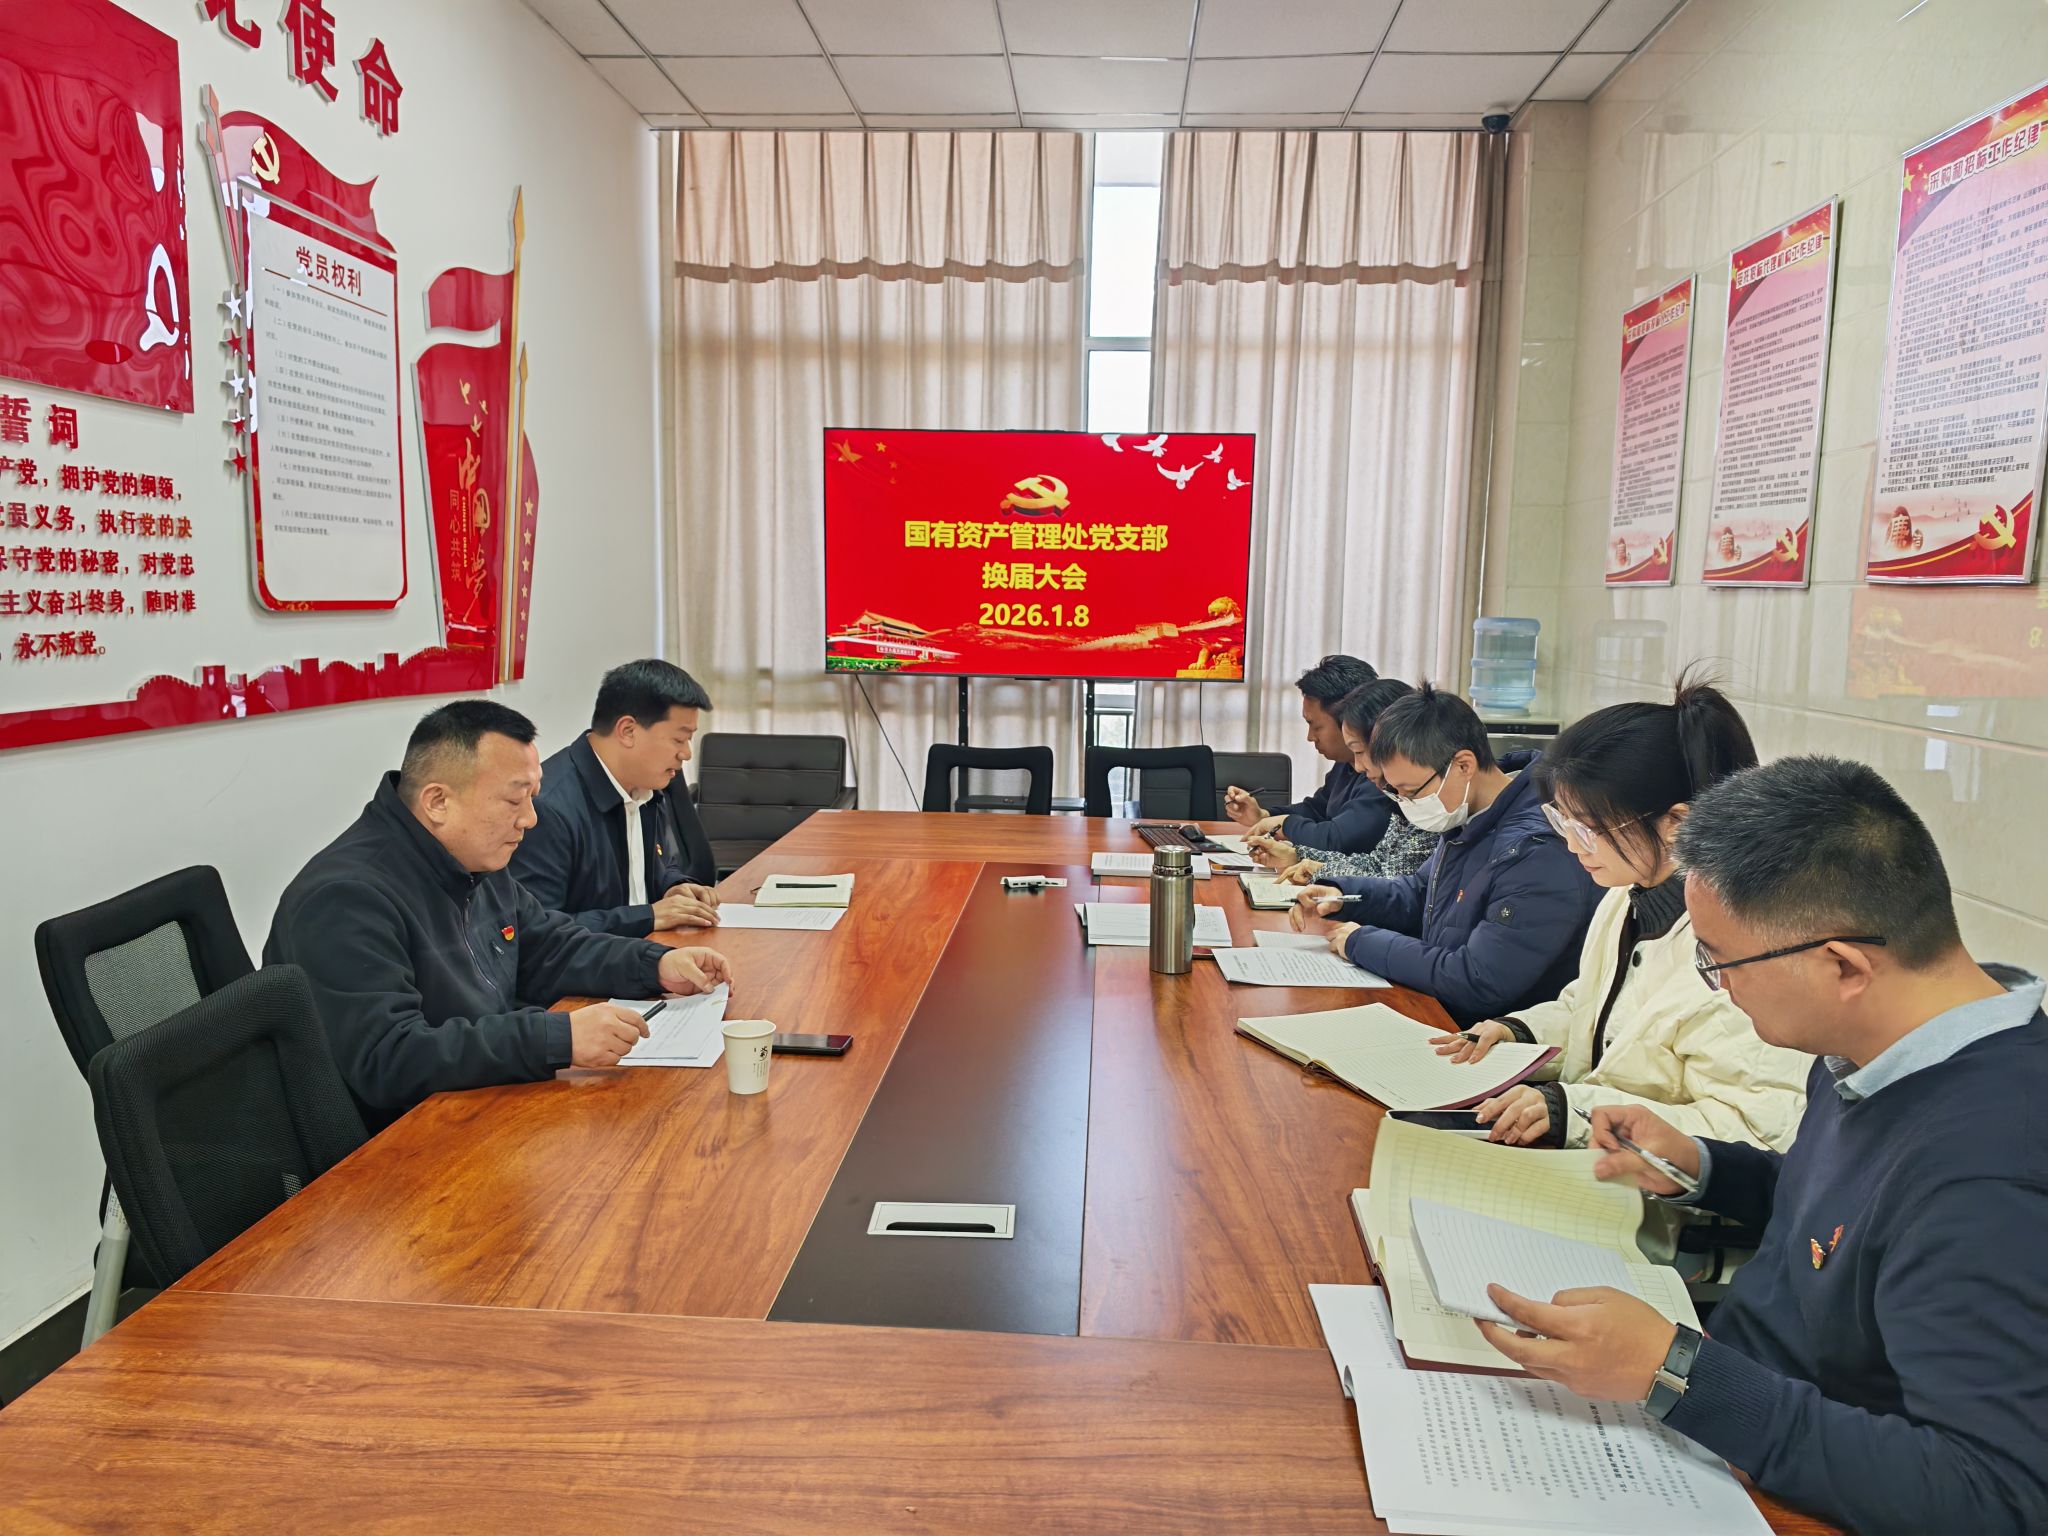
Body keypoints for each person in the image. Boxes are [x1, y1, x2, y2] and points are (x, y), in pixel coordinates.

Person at [1476, 757, 2048, 1536]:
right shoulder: (1868, 1047)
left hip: (1788, 1482)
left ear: (1842, 965)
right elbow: (1848, 1221)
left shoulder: (1991, 1171)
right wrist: (1703, 1168)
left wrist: (1674, 1373)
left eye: (1720, 961)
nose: (1716, 983)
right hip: (1731, 1399)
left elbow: (1995, 1494)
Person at [266, 700, 733, 1130]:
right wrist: (557, 1038)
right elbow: (390, 1057)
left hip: (481, 1100)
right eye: (514, 800)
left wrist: (654, 965)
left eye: (533, 796)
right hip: (401, 1144)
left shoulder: (473, 859)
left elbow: (550, 946)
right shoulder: (346, 898)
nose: (530, 818)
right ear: (437, 802)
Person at [1432, 678, 1808, 1153]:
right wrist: (1519, 1032)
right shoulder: (1629, 895)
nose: (1572, 846)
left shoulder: (1741, 953)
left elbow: (1751, 1132)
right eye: (1562, 822)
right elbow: (1593, 1010)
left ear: (1676, 823)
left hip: (1661, 1187)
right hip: (1603, 1162)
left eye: (1588, 830)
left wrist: (1575, 1112)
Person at [1291, 683, 1597, 1024]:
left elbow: (1478, 979)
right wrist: (1344, 895)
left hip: (1487, 1034)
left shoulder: (1536, 851)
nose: (1407, 804)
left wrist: (1362, 942)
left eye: (1411, 791)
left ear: (1463, 765)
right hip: (1441, 1009)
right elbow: (1421, 893)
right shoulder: (1471, 814)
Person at [511, 659, 722, 937]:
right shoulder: (548, 809)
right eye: (679, 739)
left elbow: (657, 867)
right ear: (628, 731)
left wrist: (674, 887)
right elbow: (537, 929)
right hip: (594, 963)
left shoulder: (647, 788)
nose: (686, 754)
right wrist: (646, 917)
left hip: (646, 952)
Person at [1245, 678, 1439, 885]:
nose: (1358, 766)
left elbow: (1399, 886)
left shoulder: (1428, 806)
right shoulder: (1403, 795)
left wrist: (1311, 861)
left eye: (1359, 751)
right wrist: (1297, 856)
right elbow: (1378, 865)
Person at [1221, 654, 1391, 854]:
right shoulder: (1346, 762)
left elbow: (1340, 839)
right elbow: (1318, 810)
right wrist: (1263, 816)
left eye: (1315, 726)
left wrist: (1286, 825)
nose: (1310, 737)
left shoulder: (1383, 775)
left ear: (1349, 719)